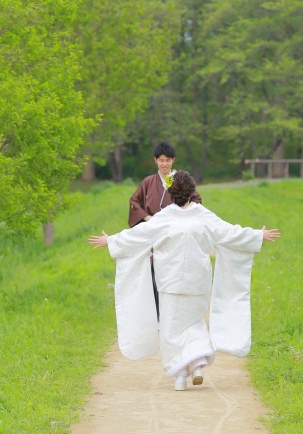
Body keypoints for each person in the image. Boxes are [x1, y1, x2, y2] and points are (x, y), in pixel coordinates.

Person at [89, 170, 281, 391]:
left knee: (171, 330)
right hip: (197, 282)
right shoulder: (203, 215)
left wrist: (111, 241)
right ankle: (197, 365)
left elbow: (138, 235)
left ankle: (180, 376)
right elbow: (229, 233)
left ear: (171, 192)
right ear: (191, 192)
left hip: (170, 282)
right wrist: (257, 235)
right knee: (195, 324)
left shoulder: (163, 218)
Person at [128, 142, 201, 321]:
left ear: (173, 160)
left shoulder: (180, 180)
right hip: (154, 233)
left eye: (168, 160)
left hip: (175, 235)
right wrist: (147, 218)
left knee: (175, 274)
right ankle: (158, 317)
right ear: (155, 160)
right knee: (154, 273)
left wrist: (182, 214)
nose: (165, 164)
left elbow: (196, 200)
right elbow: (135, 202)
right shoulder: (148, 182)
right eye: (161, 160)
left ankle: (175, 315)